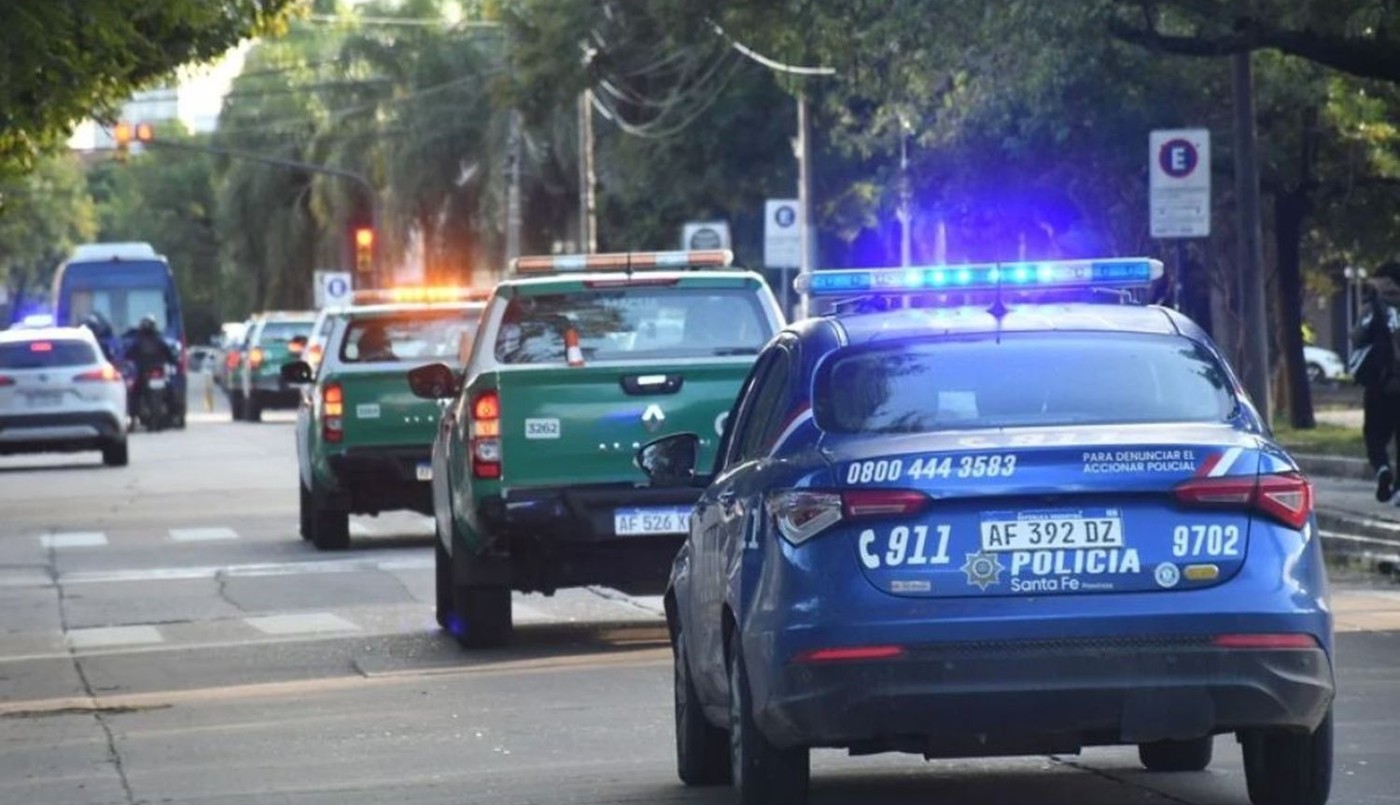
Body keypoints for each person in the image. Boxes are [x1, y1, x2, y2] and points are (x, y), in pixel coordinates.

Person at [1352, 260, 1400, 502]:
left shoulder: (1374, 307)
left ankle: (1382, 469)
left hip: (1380, 383)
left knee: (1374, 435)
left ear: (1388, 281)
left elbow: (1358, 336)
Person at [124, 315, 178, 415]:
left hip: (150, 372)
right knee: (135, 391)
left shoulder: (140, 342)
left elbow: (128, 355)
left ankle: (133, 415)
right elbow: (170, 356)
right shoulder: (158, 341)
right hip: (149, 372)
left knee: (135, 392)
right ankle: (133, 416)